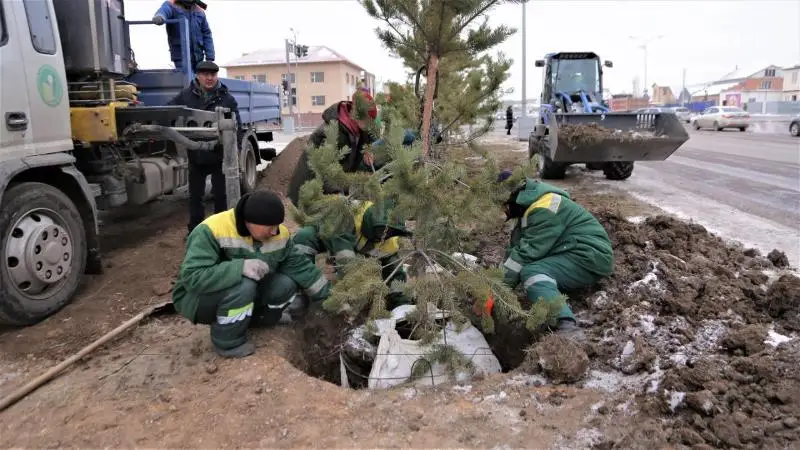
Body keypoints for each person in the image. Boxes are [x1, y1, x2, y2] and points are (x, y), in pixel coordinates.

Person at [171, 190, 331, 358]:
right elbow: (193, 276)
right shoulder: (212, 230)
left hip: (244, 293)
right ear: (249, 222)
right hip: (197, 298)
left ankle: (256, 320)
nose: (274, 232)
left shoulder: (279, 235)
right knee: (244, 285)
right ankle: (227, 341)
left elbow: (301, 267)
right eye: (270, 227)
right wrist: (239, 268)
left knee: (285, 284)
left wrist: (330, 299)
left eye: (277, 225)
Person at [486, 173, 614, 339]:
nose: (504, 211)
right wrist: (493, 286)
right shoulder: (532, 207)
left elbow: (525, 255)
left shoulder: (544, 209)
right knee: (530, 268)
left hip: (589, 256)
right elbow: (515, 250)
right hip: (575, 251)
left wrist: (495, 294)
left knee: (532, 272)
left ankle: (566, 325)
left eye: (504, 205)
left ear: (513, 197)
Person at [293, 199, 412, 310]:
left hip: (354, 250)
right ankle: (297, 293)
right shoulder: (350, 212)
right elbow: (346, 261)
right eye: (380, 230)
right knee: (305, 236)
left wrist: (402, 305)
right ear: (370, 222)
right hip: (327, 236)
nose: (383, 235)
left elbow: (395, 273)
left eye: (388, 232)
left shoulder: (389, 242)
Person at [166, 61, 241, 234]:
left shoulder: (227, 99)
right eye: (205, 75)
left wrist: (234, 149)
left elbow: (237, 126)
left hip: (218, 155)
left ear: (217, 76)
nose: (209, 78)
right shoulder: (185, 96)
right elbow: (169, 111)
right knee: (195, 197)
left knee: (221, 196)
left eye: (213, 75)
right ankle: (196, 232)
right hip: (196, 156)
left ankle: (221, 231)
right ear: (197, 76)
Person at [152, 0, 214, 71]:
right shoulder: (171, 5)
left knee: (198, 79)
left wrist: (210, 57)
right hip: (181, 56)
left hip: (198, 57)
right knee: (185, 78)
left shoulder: (199, 11)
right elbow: (164, 11)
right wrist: (160, 17)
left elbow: (207, 35)